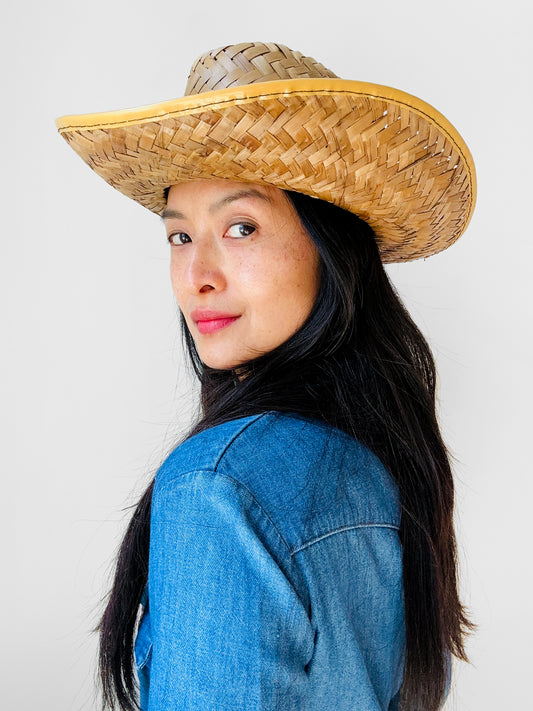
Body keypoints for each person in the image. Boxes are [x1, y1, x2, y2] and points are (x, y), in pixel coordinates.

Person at [56, 42, 476, 711]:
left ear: (330, 245)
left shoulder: (222, 485)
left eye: (241, 226)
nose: (199, 276)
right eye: (180, 236)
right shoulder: (381, 460)